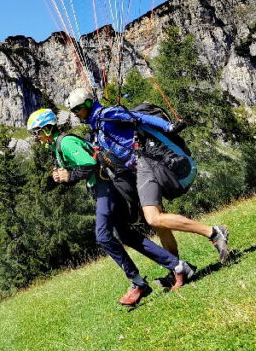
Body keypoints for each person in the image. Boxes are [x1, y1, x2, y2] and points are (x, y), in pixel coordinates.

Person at [27, 108, 196, 306]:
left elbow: (89, 163)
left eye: (37, 132)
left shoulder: (65, 142)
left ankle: (138, 282)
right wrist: (64, 176)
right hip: (104, 188)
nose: (36, 137)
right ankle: (178, 266)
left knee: (103, 236)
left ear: (47, 129)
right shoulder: (58, 146)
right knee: (126, 235)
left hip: (105, 188)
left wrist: (69, 176)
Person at [64, 86, 231, 270]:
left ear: (87, 104)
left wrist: (168, 126)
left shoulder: (108, 114)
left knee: (153, 218)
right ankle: (177, 269)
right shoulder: (97, 127)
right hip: (138, 169)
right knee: (158, 224)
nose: (76, 114)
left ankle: (214, 233)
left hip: (145, 162)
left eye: (77, 109)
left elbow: (139, 118)